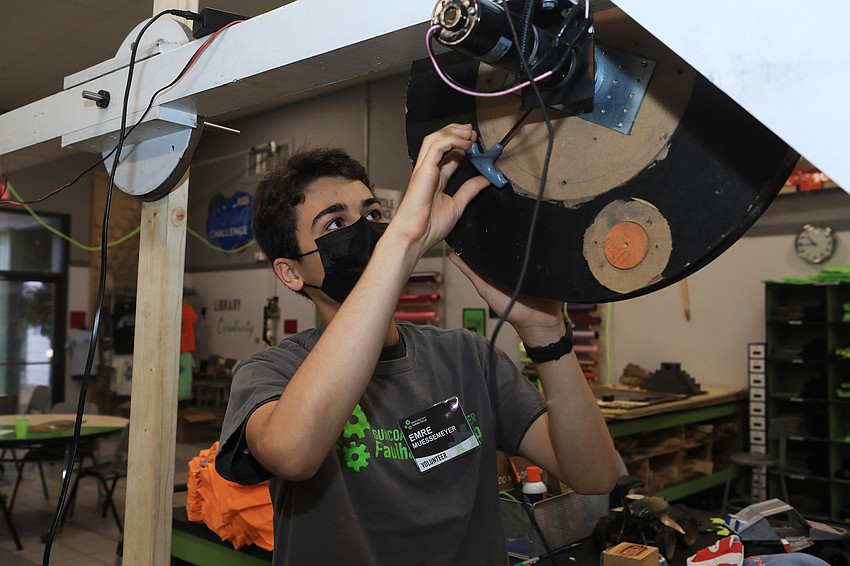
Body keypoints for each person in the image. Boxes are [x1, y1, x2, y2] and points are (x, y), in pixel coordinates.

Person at [217, 123, 619, 564]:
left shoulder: (467, 358)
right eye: (335, 223)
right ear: (291, 272)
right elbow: (293, 454)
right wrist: (403, 241)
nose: (370, 232)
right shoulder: (271, 373)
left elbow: (595, 475)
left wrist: (547, 335)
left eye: (372, 216)